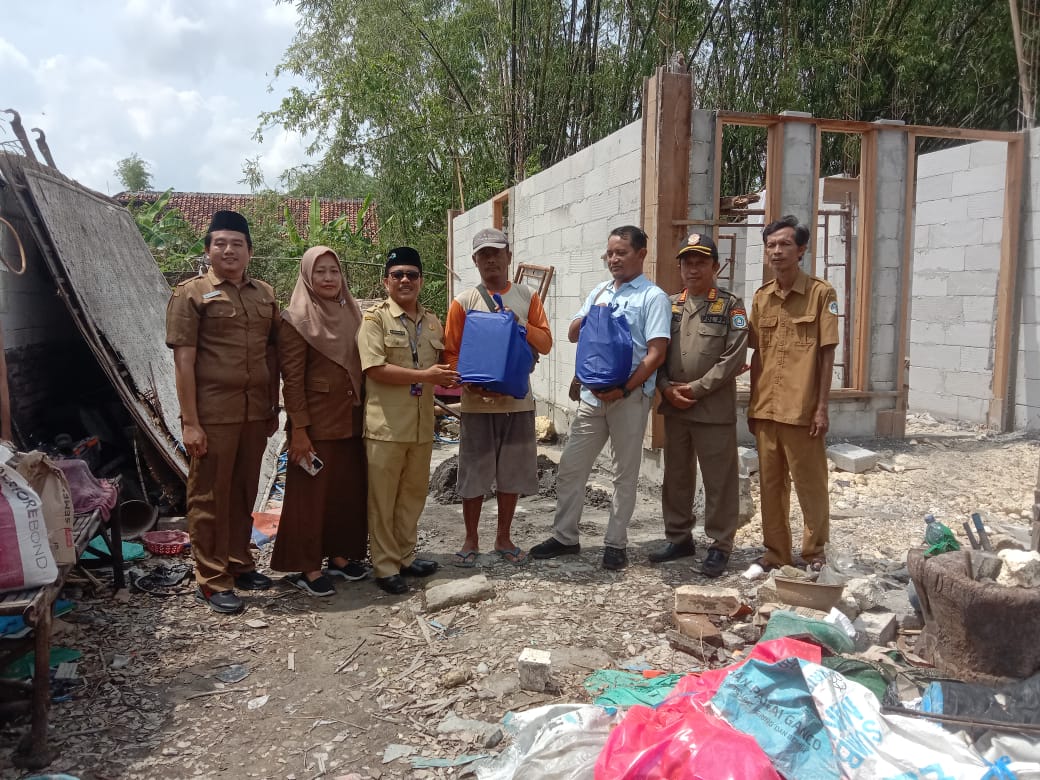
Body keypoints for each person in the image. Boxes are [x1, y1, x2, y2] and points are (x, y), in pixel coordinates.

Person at [531, 226, 670, 570]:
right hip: (593, 398)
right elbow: (576, 334)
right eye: (609, 253)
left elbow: (656, 353)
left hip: (630, 398)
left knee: (624, 473)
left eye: (621, 252)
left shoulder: (653, 298)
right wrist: (594, 317)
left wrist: (625, 388)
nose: (613, 259)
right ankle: (565, 537)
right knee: (571, 466)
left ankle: (615, 544)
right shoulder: (599, 291)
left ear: (641, 254)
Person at [165, 210, 279, 614]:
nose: (229, 250)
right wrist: (190, 422)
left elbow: (272, 354)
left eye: (237, 244)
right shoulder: (191, 294)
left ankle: (238, 562)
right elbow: (183, 362)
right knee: (209, 497)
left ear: (249, 251)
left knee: (244, 491)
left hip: (254, 414)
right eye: (221, 243)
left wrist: (272, 407)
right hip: (213, 415)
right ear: (209, 249)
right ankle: (212, 579)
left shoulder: (264, 294)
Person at [443, 228, 553, 567]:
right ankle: (471, 538)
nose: (491, 259)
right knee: (474, 472)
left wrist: (518, 321)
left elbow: (546, 343)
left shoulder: (526, 297)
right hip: (478, 405)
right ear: (475, 261)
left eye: (497, 252)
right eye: (483, 254)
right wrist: (468, 382)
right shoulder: (463, 302)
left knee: (512, 473)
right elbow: (451, 354)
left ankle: (504, 536)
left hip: (518, 403)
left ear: (508, 256)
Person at [358, 247, 459, 594]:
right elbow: (374, 368)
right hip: (385, 427)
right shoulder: (374, 320)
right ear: (386, 280)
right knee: (383, 501)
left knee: (413, 496)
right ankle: (385, 566)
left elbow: (448, 364)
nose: (405, 280)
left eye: (412, 275)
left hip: (420, 426)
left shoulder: (433, 322)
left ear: (421, 280)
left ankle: (404, 556)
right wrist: (427, 375)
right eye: (398, 274)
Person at [271, 245, 369, 597]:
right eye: (320, 272)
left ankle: (340, 558)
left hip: (352, 419)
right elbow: (292, 380)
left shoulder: (352, 313)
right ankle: (308, 567)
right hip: (314, 424)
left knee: (346, 491)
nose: (328, 278)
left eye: (334, 271)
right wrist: (299, 429)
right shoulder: (296, 319)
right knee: (310, 497)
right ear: (307, 277)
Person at [651, 233, 748, 578]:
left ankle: (720, 545)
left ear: (715, 267)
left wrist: (694, 388)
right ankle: (679, 538)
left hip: (711, 409)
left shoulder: (730, 305)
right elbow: (656, 351)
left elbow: (732, 359)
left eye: (701, 262)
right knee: (676, 477)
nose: (693, 269)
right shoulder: (668, 304)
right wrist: (664, 386)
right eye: (687, 262)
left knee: (719, 480)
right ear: (679, 267)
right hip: (675, 406)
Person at [748, 214, 839, 572]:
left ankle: (814, 554)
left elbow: (827, 352)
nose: (777, 251)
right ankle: (776, 554)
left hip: (801, 410)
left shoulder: (820, 293)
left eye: (785, 244)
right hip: (767, 409)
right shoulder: (762, 298)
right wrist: (753, 403)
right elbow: (757, 354)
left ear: (801, 249)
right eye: (771, 245)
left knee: (810, 485)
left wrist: (822, 407)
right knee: (771, 487)